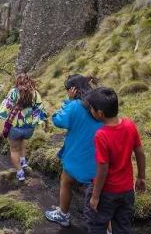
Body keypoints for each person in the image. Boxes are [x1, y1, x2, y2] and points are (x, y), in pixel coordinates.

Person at [84, 87, 146, 234]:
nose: (90, 110)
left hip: (107, 192)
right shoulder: (130, 125)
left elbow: (102, 168)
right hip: (127, 191)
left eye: (91, 108)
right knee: (122, 226)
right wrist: (141, 177)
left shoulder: (101, 135)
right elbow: (140, 152)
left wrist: (95, 196)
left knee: (96, 225)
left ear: (100, 113)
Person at [45, 74, 102, 227]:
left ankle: (63, 215)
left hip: (77, 154)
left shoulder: (75, 105)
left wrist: (68, 102)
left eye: (67, 89)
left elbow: (58, 120)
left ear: (73, 89)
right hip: (99, 158)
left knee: (66, 181)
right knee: (98, 191)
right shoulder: (100, 103)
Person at [0, 73, 47, 182]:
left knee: (14, 149)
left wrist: (2, 122)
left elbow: (4, 109)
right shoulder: (35, 93)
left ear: (18, 82)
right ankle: (23, 161)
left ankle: (20, 173)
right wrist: (40, 122)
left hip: (14, 127)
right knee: (23, 139)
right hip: (29, 128)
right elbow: (40, 110)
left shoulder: (14, 92)